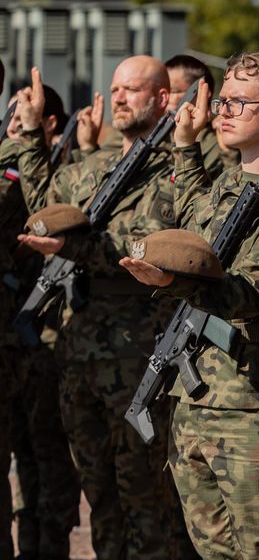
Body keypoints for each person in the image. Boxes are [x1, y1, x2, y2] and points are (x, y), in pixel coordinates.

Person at [119, 49, 259, 559]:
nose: (224, 111)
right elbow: (194, 214)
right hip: (197, 407)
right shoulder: (225, 188)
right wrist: (185, 145)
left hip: (258, 410)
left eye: (239, 103)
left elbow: (257, 291)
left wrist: (175, 283)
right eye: (222, 101)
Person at [14, 58, 181, 559]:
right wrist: (28, 133)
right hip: (79, 357)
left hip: (139, 359)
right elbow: (42, 212)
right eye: (116, 89)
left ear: (162, 99)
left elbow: (148, 248)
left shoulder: (181, 177)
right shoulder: (90, 171)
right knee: (101, 500)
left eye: (134, 89)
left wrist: (78, 247)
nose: (122, 98)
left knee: (146, 500)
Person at [3, 82, 81, 560]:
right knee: (21, 463)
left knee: (51, 461)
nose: (14, 127)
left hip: (51, 340)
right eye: (11, 117)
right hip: (15, 334)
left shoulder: (60, 177)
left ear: (50, 124)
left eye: (24, 119)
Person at [166, 53, 238, 176]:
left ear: (202, 93)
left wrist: (228, 152)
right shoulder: (158, 139)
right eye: (161, 92)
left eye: (173, 91)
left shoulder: (217, 146)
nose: (164, 99)